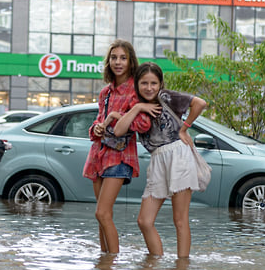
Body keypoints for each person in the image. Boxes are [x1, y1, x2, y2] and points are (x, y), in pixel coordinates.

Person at [111, 62, 208, 258]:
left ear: (160, 83)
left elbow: (200, 103)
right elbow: (118, 130)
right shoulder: (136, 104)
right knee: (144, 221)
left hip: (178, 155)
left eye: (153, 83)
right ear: (137, 84)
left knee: (180, 220)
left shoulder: (166, 97)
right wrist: (138, 107)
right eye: (144, 83)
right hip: (157, 159)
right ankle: (155, 266)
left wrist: (184, 128)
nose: (149, 88)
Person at [82, 40, 148, 254]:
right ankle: (104, 267)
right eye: (113, 58)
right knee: (102, 216)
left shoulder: (136, 91)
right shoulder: (105, 93)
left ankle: (112, 263)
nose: (117, 62)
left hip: (120, 157)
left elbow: (143, 125)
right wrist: (98, 128)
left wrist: (117, 116)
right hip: (98, 156)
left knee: (102, 213)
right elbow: (97, 122)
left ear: (130, 62)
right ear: (108, 62)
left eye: (123, 58)